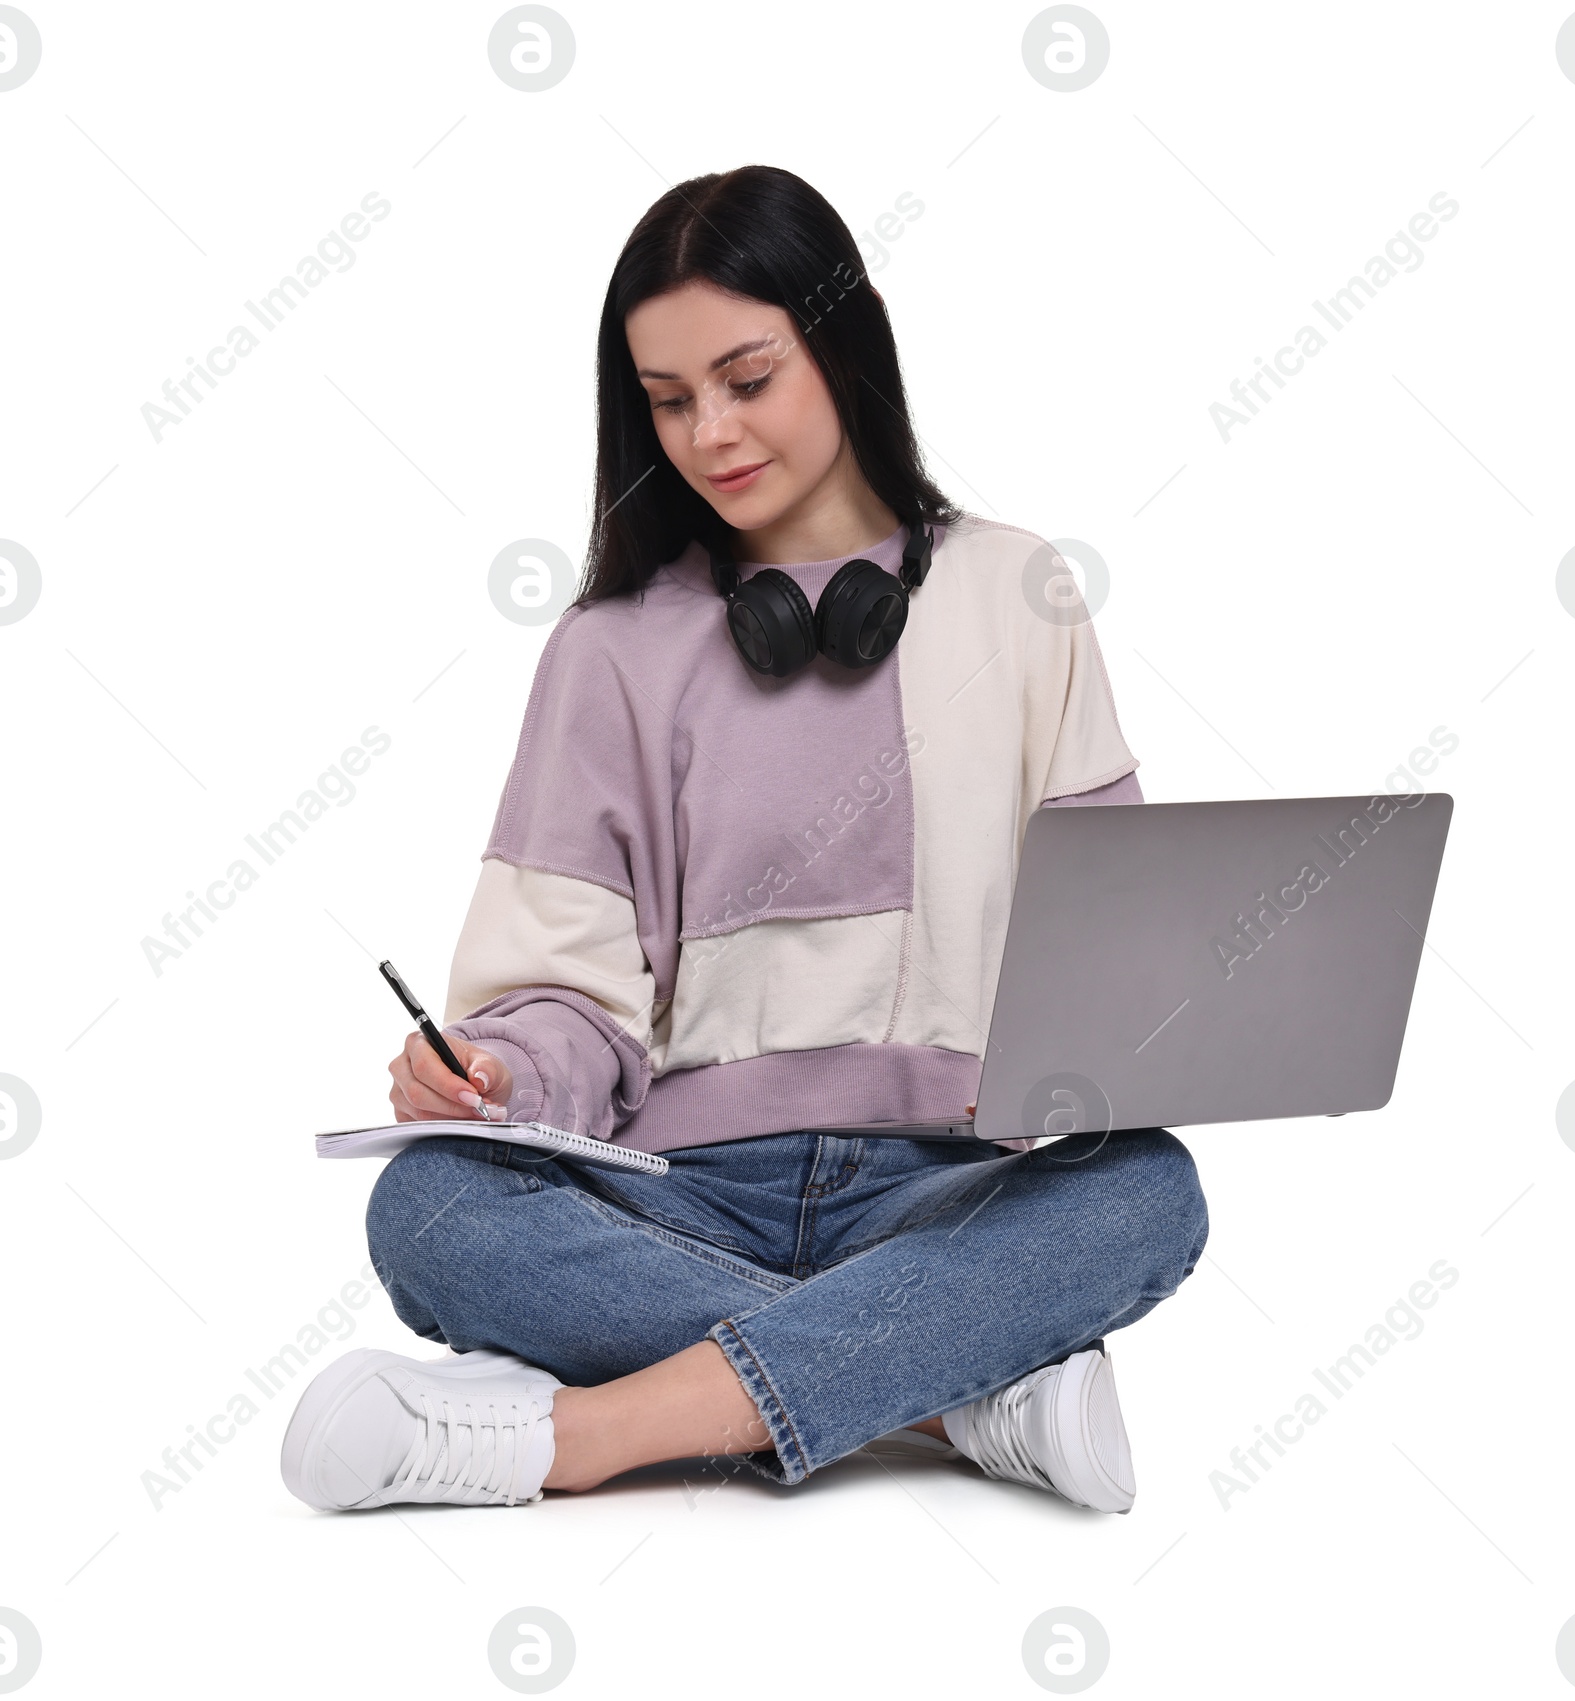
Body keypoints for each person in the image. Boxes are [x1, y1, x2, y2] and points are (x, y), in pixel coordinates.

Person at [279, 165, 1208, 1516]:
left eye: (747, 376)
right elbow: (565, 989)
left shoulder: (1020, 593)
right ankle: (954, 1398)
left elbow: (1110, 942)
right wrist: (495, 1068)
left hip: (949, 1187)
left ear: (843, 338)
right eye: (668, 399)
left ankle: (580, 1436)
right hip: (676, 1191)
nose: (710, 431)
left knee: (1148, 1193)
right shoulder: (609, 651)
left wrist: (1111, 1045)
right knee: (431, 1210)